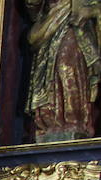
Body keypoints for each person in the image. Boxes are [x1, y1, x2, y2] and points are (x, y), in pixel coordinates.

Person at [25, 0, 101, 141]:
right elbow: (34, 11)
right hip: (49, 24)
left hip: (76, 23)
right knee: (49, 71)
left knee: (67, 66)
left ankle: (74, 119)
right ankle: (51, 120)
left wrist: (92, 10)